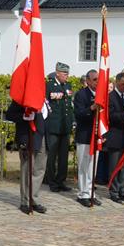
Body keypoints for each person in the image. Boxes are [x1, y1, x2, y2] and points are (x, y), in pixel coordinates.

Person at [5, 98, 48, 214]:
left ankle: (33, 199)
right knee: (27, 169)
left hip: (42, 135)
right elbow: (9, 114)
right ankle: (25, 201)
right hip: (28, 136)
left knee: (39, 169)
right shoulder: (21, 98)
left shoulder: (44, 98)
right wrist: (24, 116)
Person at [73, 69, 102, 208]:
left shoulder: (101, 95)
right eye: (95, 79)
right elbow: (78, 114)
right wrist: (91, 108)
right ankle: (82, 193)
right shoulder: (81, 94)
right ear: (88, 80)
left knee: (93, 167)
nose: (97, 82)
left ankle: (91, 192)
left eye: (98, 79)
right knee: (84, 166)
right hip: (85, 135)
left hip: (96, 136)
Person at [43, 62, 74, 192]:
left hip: (65, 127)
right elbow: (45, 104)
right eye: (64, 73)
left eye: (67, 73)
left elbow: (69, 106)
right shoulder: (49, 85)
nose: (66, 76)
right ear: (57, 73)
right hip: (53, 126)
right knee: (52, 156)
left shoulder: (68, 85)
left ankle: (61, 180)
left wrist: (72, 121)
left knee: (63, 156)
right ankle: (52, 182)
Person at [103, 72, 124, 203]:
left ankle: (122, 190)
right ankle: (114, 191)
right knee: (115, 166)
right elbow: (111, 115)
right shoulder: (111, 97)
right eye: (122, 84)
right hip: (115, 136)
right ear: (116, 83)